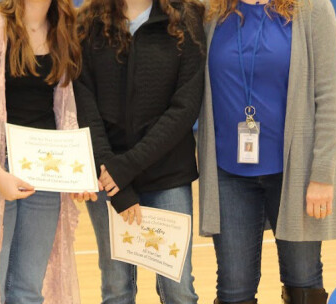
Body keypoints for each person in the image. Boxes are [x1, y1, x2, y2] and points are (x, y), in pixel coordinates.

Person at [199, 0, 336, 303]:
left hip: (297, 175)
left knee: (303, 283)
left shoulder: (313, 9)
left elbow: (330, 100)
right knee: (233, 289)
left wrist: (322, 175)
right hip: (229, 174)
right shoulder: (210, 11)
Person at [0, 0, 86, 303]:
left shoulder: (62, 26)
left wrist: (76, 173)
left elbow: (65, 108)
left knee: (28, 289)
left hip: (45, 170)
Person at [74, 0, 206, 302]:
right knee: (116, 286)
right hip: (108, 176)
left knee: (179, 289)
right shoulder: (87, 23)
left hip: (167, 175)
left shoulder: (187, 19)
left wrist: (126, 168)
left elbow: (184, 109)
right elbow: (85, 107)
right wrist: (114, 178)